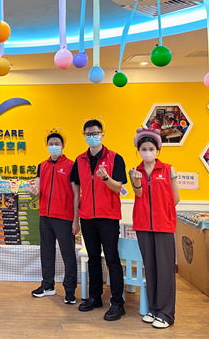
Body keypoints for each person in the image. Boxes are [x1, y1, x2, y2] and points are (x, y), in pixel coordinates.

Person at [71, 118, 127, 321]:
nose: (92, 137)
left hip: (108, 217)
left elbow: (118, 188)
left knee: (112, 259)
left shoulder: (115, 158)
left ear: (102, 135)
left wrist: (105, 177)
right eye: (88, 134)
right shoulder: (80, 160)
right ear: (84, 136)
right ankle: (95, 297)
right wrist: (76, 219)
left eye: (95, 133)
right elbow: (76, 190)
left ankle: (117, 303)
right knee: (93, 258)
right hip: (87, 217)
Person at [129, 128, 180, 329]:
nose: (147, 152)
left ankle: (166, 314)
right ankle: (153, 309)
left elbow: (176, 198)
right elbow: (138, 195)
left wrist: (162, 214)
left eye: (151, 149)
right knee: (149, 268)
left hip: (164, 226)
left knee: (165, 270)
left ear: (157, 150)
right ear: (138, 151)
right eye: (144, 149)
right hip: (143, 225)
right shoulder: (135, 171)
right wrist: (136, 181)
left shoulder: (168, 170)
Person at [29, 128, 79, 304]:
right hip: (45, 216)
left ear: (63, 146)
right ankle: (47, 285)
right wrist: (34, 191)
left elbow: (76, 193)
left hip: (64, 217)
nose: (54, 146)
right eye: (51, 144)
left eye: (57, 144)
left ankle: (70, 290)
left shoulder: (71, 165)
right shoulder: (42, 165)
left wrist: (76, 220)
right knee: (46, 252)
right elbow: (37, 188)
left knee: (68, 254)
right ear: (47, 146)